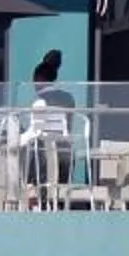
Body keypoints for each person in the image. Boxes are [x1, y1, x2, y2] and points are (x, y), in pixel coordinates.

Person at [26, 50, 78, 195]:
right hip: (66, 155)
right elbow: (68, 127)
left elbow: (34, 131)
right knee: (60, 195)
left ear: (38, 79)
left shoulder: (38, 101)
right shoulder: (69, 99)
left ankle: (30, 192)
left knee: (27, 147)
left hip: (43, 160)